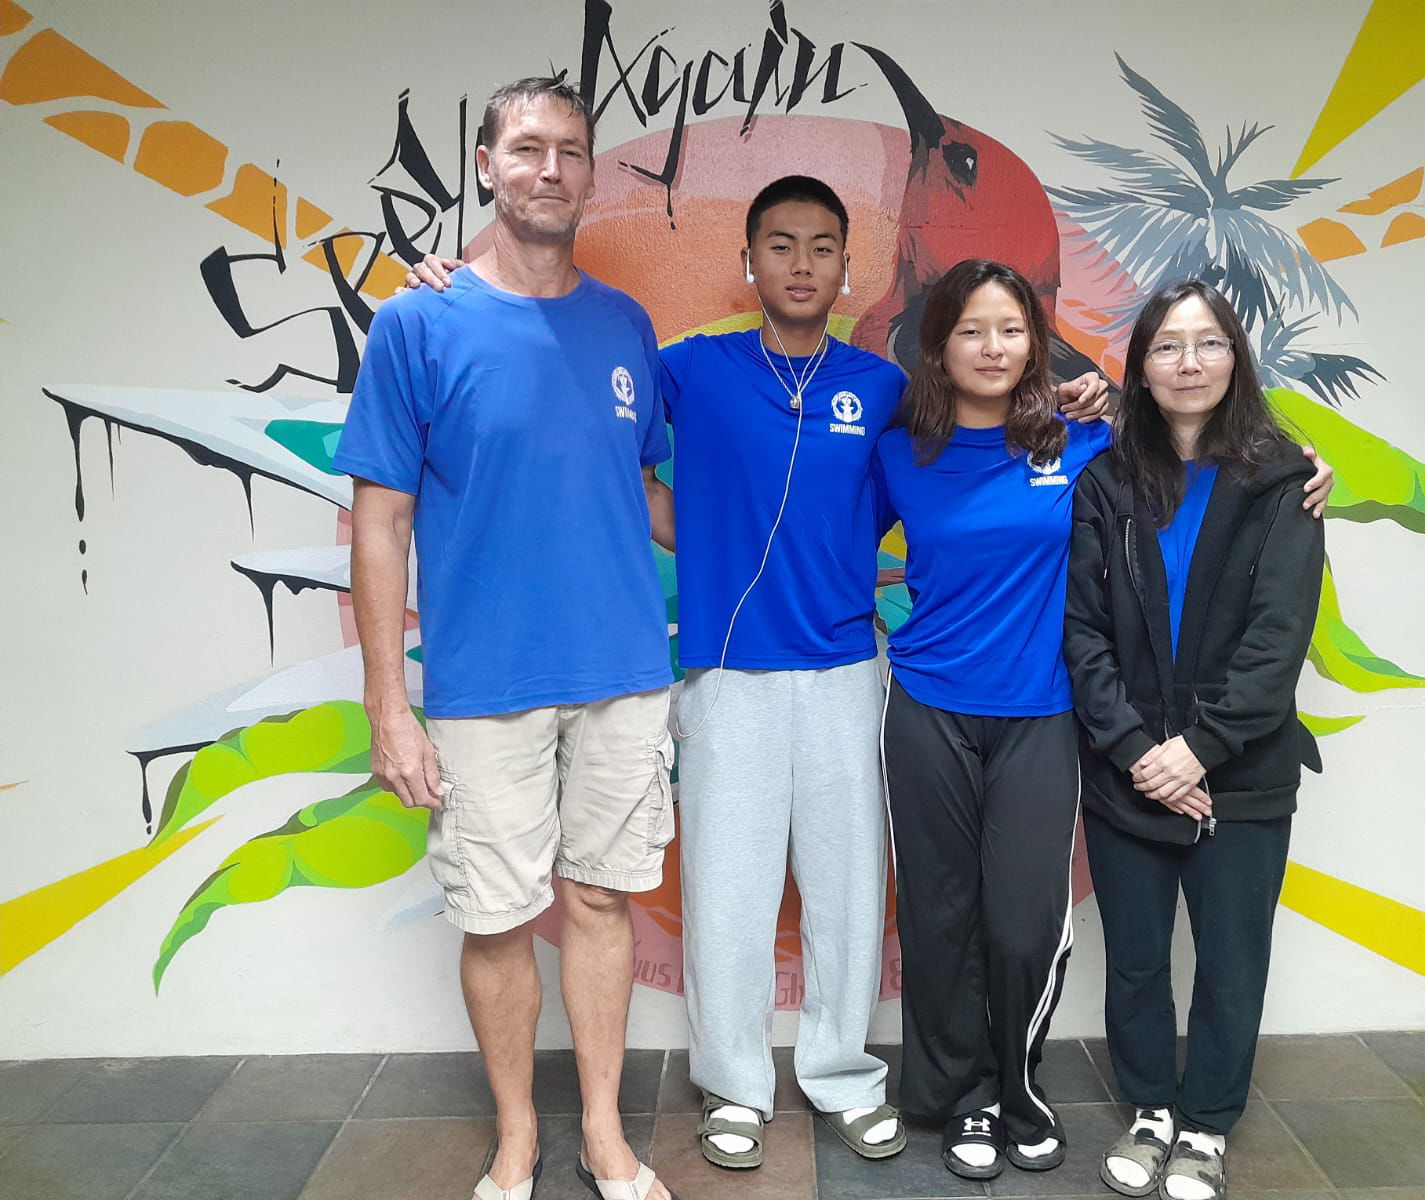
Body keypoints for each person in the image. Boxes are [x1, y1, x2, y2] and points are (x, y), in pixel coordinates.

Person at [406, 175, 1111, 1173]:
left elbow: (988, 428)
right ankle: (733, 1085)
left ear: (844, 268)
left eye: (821, 247)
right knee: (729, 893)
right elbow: (577, 384)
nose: (800, 265)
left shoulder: (882, 391)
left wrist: (1090, 394)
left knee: (846, 889)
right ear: (749, 262)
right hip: (724, 676)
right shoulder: (690, 368)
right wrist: (458, 288)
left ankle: (839, 1073)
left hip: (845, 670)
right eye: (779, 246)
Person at [336, 78, 682, 1200]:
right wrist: (391, 706)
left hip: (624, 673)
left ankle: (601, 1133)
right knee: (494, 919)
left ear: (589, 173)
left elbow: (647, 489)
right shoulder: (417, 322)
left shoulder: (626, 324)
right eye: (525, 148)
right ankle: (518, 1136)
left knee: (598, 902)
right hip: (484, 684)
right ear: (485, 164)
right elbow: (381, 520)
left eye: (570, 151)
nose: (548, 168)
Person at [1065, 279, 1326, 1200]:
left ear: (1235, 358)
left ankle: (1207, 1125)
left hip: (1242, 775)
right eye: (1167, 347)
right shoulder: (1104, 479)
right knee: (1135, 959)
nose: (1188, 363)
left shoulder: (1284, 477)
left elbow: (1278, 637)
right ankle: (1151, 1112)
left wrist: (1199, 751)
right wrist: (1143, 752)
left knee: (1230, 959)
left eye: (1207, 343)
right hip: (1127, 768)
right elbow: (1083, 633)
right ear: (1139, 366)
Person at [872, 258, 1113, 1183]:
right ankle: (961, 1099)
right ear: (939, 345)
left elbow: (1194, 443)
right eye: (971, 329)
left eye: (1011, 328)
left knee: (1021, 922)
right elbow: (818, 531)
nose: (992, 347)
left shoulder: (1078, 440)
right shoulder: (900, 453)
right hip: (929, 707)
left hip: (1042, 714)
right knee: (940, 917)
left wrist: (1305, 464)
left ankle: (1020, 1087)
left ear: (1036, 341)